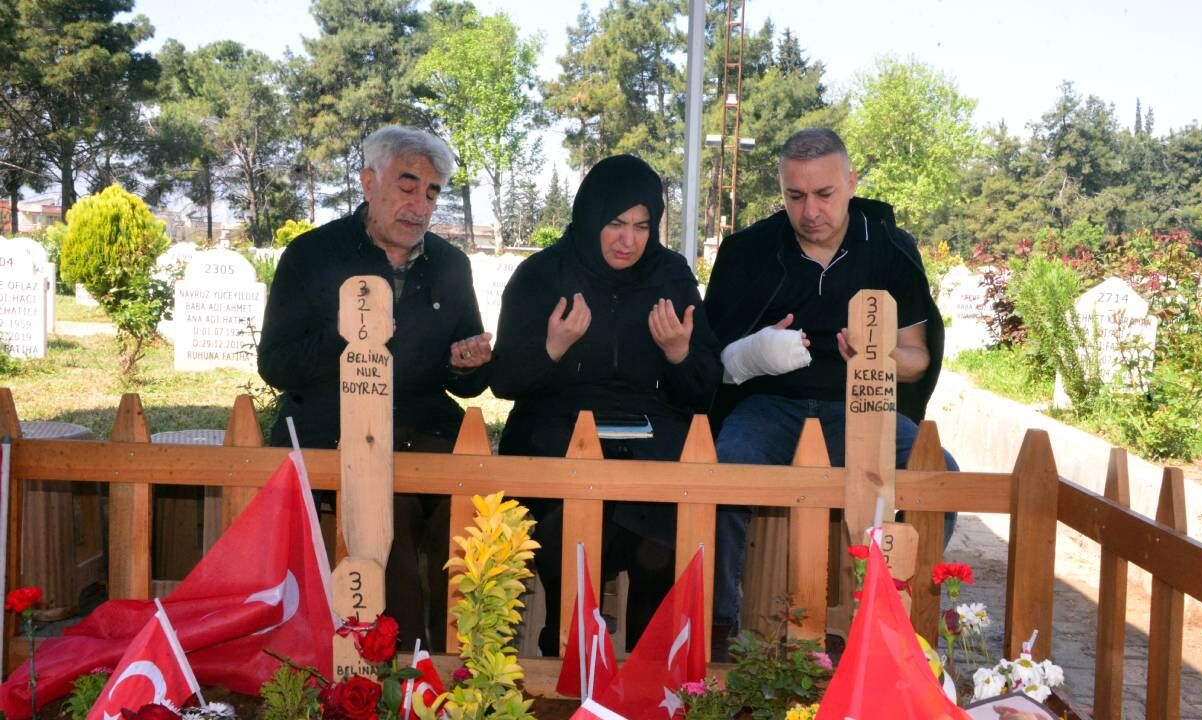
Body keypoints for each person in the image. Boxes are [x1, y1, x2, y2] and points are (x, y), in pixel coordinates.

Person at [703, 128, 959, 658]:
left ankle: (890, 620)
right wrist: (757, 348)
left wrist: (876, 357)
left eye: (824, 194)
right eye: (795, 196)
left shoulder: (889, 247)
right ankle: (720, 626)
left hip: (861, 404)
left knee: (941, 479)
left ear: (851, 183)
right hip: (770, 406)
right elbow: (717, 360)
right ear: (781, 189)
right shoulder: (747, 251)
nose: (810, 211)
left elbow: (918, 357)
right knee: (723, 472)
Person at [257, 125, 492, 650]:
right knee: (393, 514)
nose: (420, 206)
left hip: (423, 428)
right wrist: (351, 340)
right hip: (333, 426)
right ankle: (401, 666)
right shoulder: (313, 255)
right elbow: (275, 364)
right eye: (407, 187)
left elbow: (471, 380)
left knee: (470, 515)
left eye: (432, 193)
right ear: (368, 182)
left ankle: (460, 660)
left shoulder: (450, 265)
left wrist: (467, 363)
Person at [489, 154, 721, 655]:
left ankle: (646, 665)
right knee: (567, 528)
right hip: (555, 433)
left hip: (648, 438)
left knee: (658, 529)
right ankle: (566, 651)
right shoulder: (542, 273)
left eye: (641, 226)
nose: (628, 240)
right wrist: (551, 348)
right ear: (591, 218)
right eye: (615, 223)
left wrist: (679, 354)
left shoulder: (670, 275)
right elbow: (503, 380)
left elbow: (704, 391)